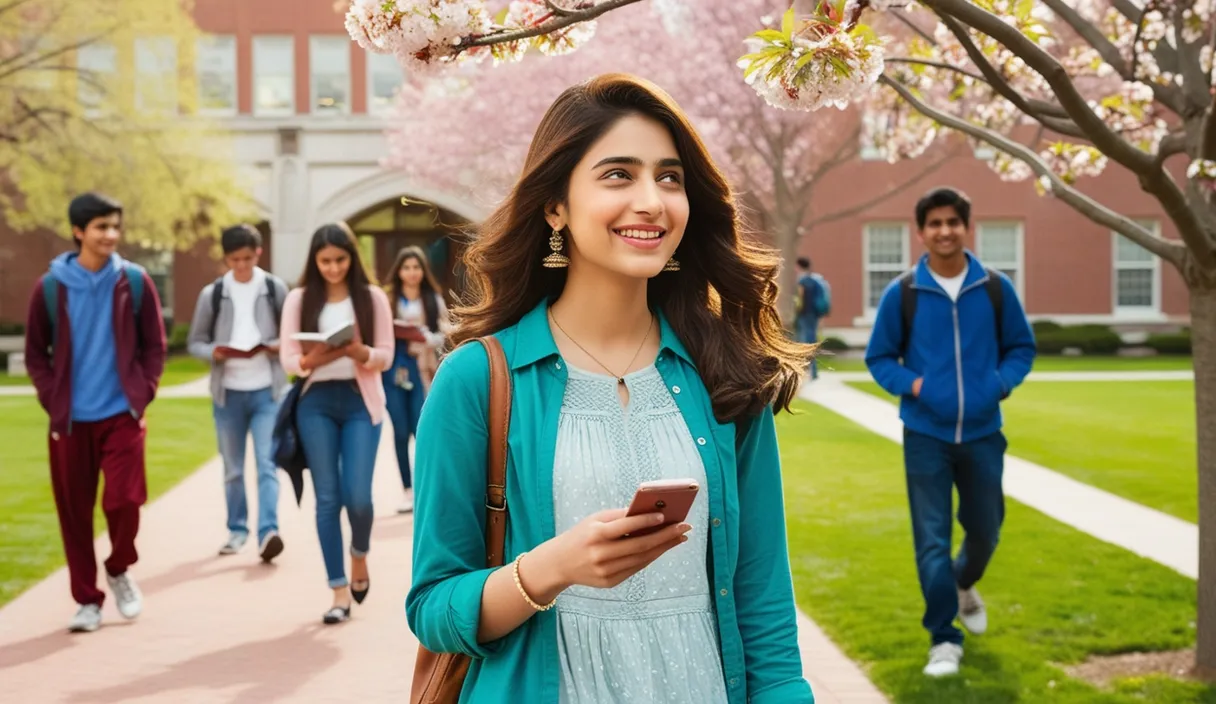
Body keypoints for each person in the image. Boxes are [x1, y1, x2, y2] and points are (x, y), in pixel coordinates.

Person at [408, 73, 816, 703]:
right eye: (618, 175)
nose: (651, 200)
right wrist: (552, 569)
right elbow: (433, 607)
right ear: (555, 205)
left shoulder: (724, 373)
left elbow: (763, 596)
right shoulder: (476, 380)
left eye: (670, 176)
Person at [864, 186, 1036, 677]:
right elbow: (880, 358)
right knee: (932, 540)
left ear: (967, 227)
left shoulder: (996, 288)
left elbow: (1021, 348)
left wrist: (998, 385)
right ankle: (944, 637)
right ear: (922, 232)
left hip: (983, 432)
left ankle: (963, 585)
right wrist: (916, 383)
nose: (944, 231)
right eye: (934, 223)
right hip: (926, 435)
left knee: (985, 530)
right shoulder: (904, 293)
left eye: (952, 222)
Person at [23, 192, 166, 633]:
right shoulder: (50, 287)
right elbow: (35, 355)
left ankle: (120, 566)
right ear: (79, 232)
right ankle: (87, 599)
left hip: (121, 414)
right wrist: (53, 397)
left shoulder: (136, 281)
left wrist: (140, 395)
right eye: (101, 227)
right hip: (70, 421)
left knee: (125, 499)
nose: (110, 235)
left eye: (114, 227)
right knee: (74, 510)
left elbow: (155, 347)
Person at [279, 222, 393, 625]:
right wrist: (318, 357)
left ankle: (359, 554)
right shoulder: (298, 298)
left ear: (352, 257)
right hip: (317, 404)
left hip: (361, 402)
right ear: (314, 260)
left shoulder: (372, 297)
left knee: (358, 497)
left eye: (340, 260)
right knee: (327, 498)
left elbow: (386, 355)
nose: (332, 268)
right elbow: (290, 361)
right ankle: (338, 590)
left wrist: (360, 351)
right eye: (324, 261)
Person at [186, 224, 290, 560]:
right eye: (235, 260)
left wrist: (275, 347)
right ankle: (237, 529)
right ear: (226, 259)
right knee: (232, 468)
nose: (241, 266)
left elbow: (292, 338)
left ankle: (268, 531)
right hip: (228, 394)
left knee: (266, 463)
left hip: (266, 392)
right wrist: (214, 351)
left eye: (247, 258)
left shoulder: (275, 289)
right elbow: (195, 343)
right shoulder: (212, 294)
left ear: (258, 253)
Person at [382, 246, 450, 514]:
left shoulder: (433, 299)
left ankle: (425, 489)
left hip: (424, 371)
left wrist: (425, 337)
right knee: (399, 430)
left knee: (421, 429)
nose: (412, 273)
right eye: (407, 267)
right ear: (399, 271)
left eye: (416, 267)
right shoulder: (389, 301)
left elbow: (444, 335)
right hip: (394, 371)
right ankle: (407, 490)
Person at [794, 257, 830, 379]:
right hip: (814, 315)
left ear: (799, 266)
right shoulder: (816, 279)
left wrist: (795, 311)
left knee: (804, 344)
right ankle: (813, 372)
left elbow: (800, 300)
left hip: (804, 315)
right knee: (811, 342)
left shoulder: (802, 280)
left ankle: (804, 372)